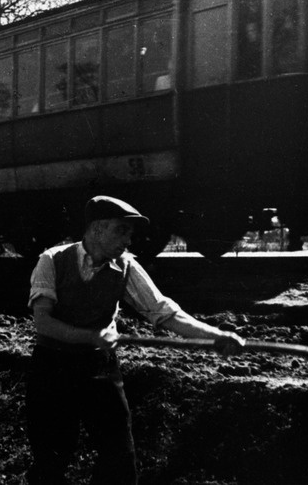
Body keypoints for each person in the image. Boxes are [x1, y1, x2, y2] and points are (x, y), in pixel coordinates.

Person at [25, 195, 245, 484]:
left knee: (119, 457)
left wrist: (218, 336)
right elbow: (43, 322)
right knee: (51, 460)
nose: (129, 240)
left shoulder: (126, 266)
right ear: (96, 229)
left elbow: (165, 313)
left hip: (98, 367)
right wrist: (91, 335)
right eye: (122, 230)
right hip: (53, 368)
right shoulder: (52, 260)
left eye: (131, 232)